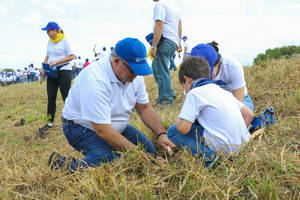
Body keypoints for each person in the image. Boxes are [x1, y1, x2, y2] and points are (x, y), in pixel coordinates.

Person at [48, 38, 176, 172]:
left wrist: (161, 134)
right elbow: (103, 130)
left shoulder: (134, 76)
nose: (136, 76)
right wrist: (142, 158)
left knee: (148, 149)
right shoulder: (95, 79)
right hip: (80, 127)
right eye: (133, 70)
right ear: (116, 61)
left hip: (112, 124)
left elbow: (144, 108)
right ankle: (62, 164)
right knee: (111, 160)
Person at [166, 56, 254, 168]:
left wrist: (179, 119)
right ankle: (229, 149)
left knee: (173, 131)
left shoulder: (194, 93)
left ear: (187, 81)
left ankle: (210, 157)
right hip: (241, 145)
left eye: (184, 87)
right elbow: (249, 115)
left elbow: (183, 128)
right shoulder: (222, 91)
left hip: (223, 148)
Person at [191, 42, 254, 111]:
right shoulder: (192, 72)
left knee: (241, 116)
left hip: (236, 99)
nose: (204, 76)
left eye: (208, 72)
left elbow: (239, 103)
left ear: (217, 63)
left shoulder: (232, 66)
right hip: (214, 101)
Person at [40, 21, 75, 130]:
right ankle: (50, 122)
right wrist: (43, 66)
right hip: (51, 72)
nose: (47, 33)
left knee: (66, 96)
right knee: (51, 97)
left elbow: (72, 56)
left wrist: (57, 61)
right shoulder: (49, 42)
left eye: (48, 31)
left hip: (64, 70)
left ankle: (72, 120)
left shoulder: (64, 41)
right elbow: (47, 56)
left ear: (54, 30)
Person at [150, 0, 182, 107]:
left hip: (165, 41)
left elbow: (159, 25)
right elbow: (179, 24)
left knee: (162, 70)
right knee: (156, 68)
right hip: (173, 41)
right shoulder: (174, 6)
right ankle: (169, 92)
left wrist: (154, 45)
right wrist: (179, 42)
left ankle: (166, 100)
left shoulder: (160, 5)